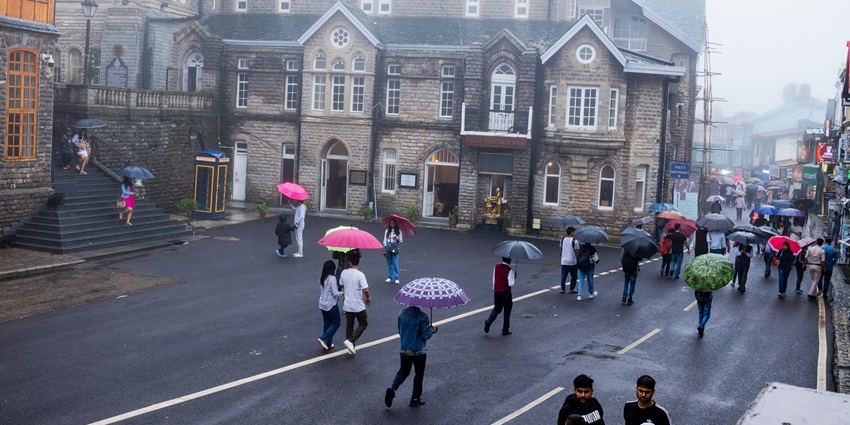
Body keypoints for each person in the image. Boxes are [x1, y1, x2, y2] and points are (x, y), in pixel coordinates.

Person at [385, 305, 437, 408]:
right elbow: (426, 335)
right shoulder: (422, 316)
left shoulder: (401, 313)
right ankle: (415, 399)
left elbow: (400, 332)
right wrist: (432, 330)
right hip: (418, 351)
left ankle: (393, 388)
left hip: (405, 349)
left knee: (404, 371)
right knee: (419, 374)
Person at [341, 253, 370, 355]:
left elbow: (342, 284)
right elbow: (365, 289)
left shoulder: (344, 273)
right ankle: (351, 341)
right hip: (357, 304)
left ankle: (351, 347)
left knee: (350, 325)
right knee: (363, 323)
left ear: (349, 262)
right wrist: (368, 298)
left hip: (347, 303)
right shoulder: (360, 275)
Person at [485, 257, 515, 335]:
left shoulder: (496, 266)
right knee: (507, 311)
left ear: (502, 258)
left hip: (497, 292)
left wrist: (494, 287)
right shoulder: (509, 270)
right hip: (506, 294)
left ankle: (489, 321)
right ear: (510, 260)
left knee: (497, 309)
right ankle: (505, 329)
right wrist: (514, 277)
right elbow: (511, 283)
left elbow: (494, 279)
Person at [317, 260, 342, 351]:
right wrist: (343, 293)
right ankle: (323, 338)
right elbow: (335, 293)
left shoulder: (321, 278)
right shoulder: (332, 278)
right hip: (331, 304)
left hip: (322, 304)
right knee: (336, 323)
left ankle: (327, 343)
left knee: (327, 322)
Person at [560, 227, 579, 293]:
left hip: (564, 260)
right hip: (572, 261)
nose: (574, 233)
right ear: (571, 233)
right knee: (574, 276)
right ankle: (572, 288)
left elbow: (561, 247)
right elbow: (576, 251)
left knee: (564, 275)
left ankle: (562, 289)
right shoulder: (575, 241)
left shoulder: (562, 239)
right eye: (573, 232)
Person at [383, 219, 403, 284]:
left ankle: (397, 278)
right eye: (391, 223)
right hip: (388, 245)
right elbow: (385, 240)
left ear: (395, 224)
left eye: (393, 223)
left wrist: (396, 239)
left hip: (394, 246)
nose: (392, 224)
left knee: (395, 263)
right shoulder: (387, 231)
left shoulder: (398, 231)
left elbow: (401, 240)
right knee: (390, 263)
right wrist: (384, 249)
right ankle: (390, 277)